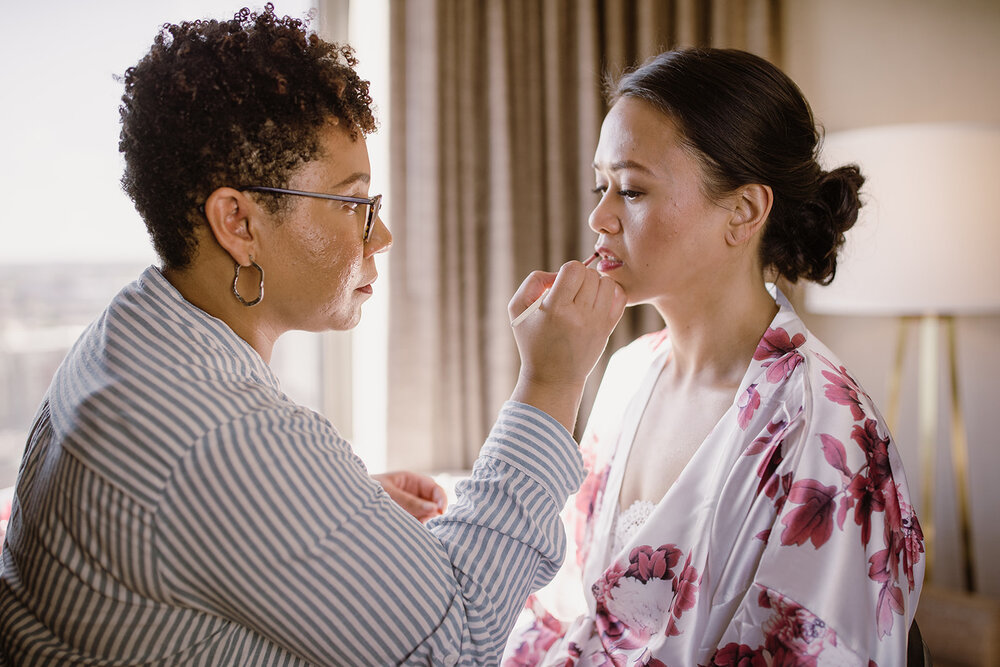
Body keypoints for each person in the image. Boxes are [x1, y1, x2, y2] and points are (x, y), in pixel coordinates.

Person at [0, 6, 626, 665]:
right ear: (238, 222)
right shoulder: (227, 437)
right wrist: (551, 382)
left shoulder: (124, 335)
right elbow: (458, 646)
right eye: (355, 204)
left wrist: (320, 517)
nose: (379, 236)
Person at [503, 48, 924, 666]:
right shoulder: (625, 372)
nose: (599, 217)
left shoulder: (828, 430)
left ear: (744, 211)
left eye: (633, 189)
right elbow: (565, 612)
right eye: (602, 186)